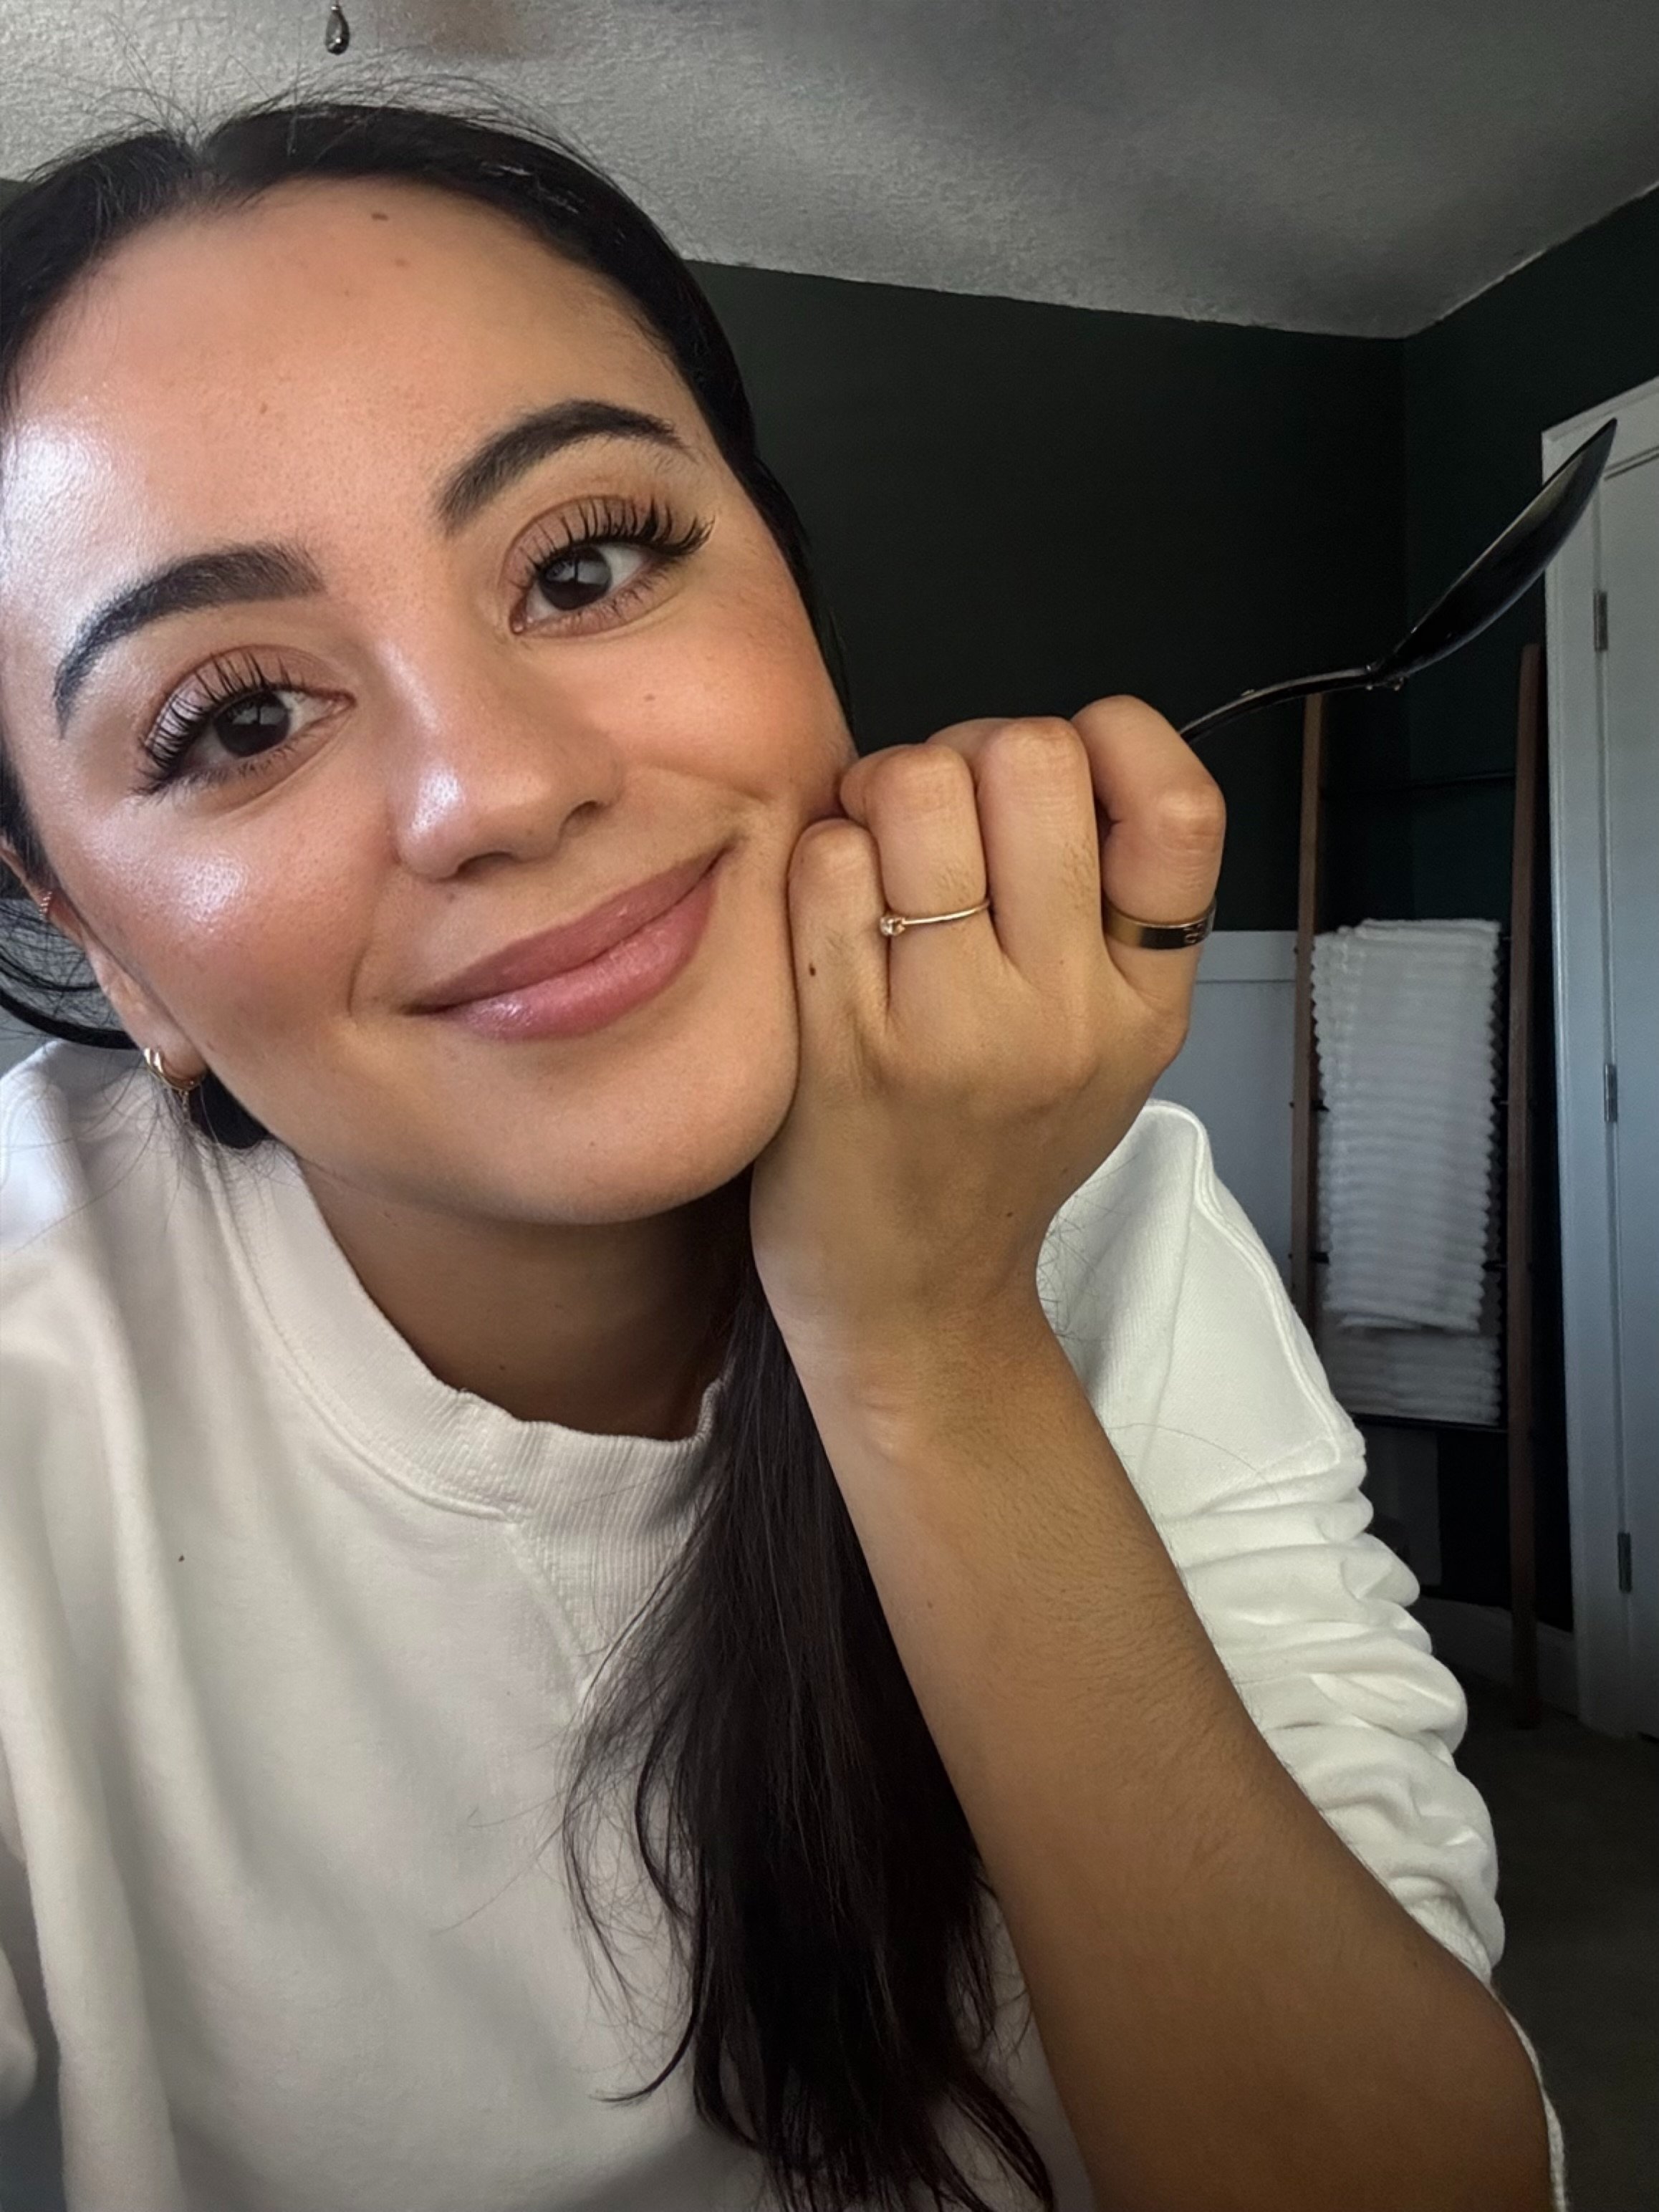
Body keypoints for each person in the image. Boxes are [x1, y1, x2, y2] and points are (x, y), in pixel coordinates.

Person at [0, 92, 1565, 2212]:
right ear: (106, 951)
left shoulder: (1089, 1205)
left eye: (584, 562)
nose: (505, 787)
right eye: (239, 721)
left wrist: (921, 1338)